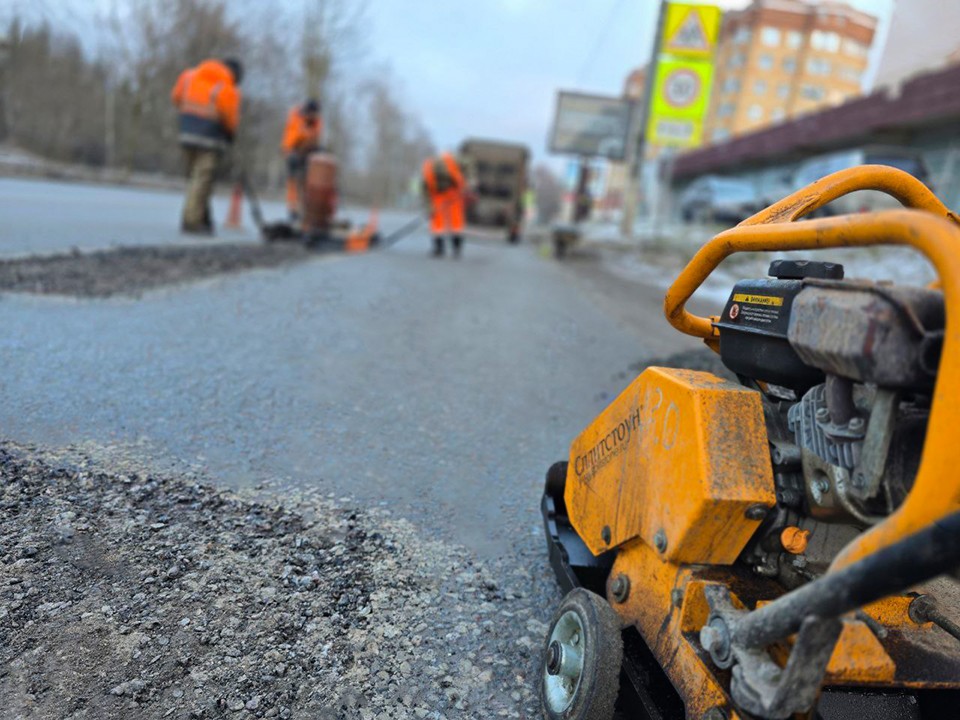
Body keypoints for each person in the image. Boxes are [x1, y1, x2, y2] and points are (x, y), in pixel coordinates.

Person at [170, 57, 243, 235]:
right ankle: (192, 222)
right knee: (202, 180)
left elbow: (176, 97)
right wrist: (230, 135)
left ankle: (202, 217)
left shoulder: (189, 75)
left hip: (186, 133)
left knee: (193, 178)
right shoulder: (227, 86)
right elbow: (229, 118)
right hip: (210, 138)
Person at [281, 99, 323, 222]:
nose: (314, 117)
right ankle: (293, 210)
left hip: (307, 153)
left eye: (315, 115)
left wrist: (315, 148)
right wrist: (291, 153)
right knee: (293, 181)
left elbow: (316, 137)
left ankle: (306, 209)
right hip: (293, 150)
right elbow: (292, 139)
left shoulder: (317, 121)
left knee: (307, 182)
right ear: (307, 112)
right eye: (312, 114)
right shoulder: (296, 117)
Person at [421, 151, 466, 258]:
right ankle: (442, 248)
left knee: (455, 222)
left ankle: (454, 248)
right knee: (439, 222)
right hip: (440, 197)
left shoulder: (451, 165)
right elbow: (426, 192)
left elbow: (461, 184)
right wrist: (429, 208)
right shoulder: (429, 172)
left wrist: (458, 194)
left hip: (452, 196)